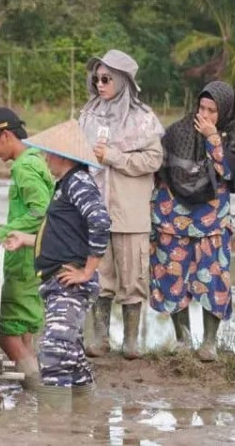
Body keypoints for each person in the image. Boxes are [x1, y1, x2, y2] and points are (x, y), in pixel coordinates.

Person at [3, 119, 111, 407]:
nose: (46, 158)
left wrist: (87, 271)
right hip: (57, 281)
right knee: (70, 355)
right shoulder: (64, 185)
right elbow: (61, 231)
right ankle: (85, 412)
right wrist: (26, 239)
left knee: (53, 351)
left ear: (63, 156)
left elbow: (100, 221)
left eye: (49, 153)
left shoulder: (78, 182)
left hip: (69, 282)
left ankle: (54, 423)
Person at [79, 49, 164, 360]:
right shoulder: (88, 115)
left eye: (106, 79)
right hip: (94, 211)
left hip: (130, 213)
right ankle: (100, 339)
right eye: (96, 79)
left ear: (123, 80)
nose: (100, 85)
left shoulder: (144, 119)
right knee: (99, 276)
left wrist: (113, 156)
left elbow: (154, 160)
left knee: (133, 277)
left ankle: (131, 341)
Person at [0, 108, 54, 389]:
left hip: (24, 257)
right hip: (33, 255)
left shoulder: (24, 168)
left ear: (6, 135)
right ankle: (32, 391)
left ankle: (37, 387)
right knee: (22, 324)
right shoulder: (34, 160)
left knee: (4, 328)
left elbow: (40, 211)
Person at [150, 81, 234, 362]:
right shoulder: (178, 131)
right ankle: (183, 340)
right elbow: (161, 171)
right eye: (202, 108)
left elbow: (229, 172)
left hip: (212, 222)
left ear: (225, 111)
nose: (205, 115)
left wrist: (213, 139)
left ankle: (209, 343)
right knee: (172, 276)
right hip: (174, 218)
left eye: (212, 110)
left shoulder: (231, 137)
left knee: (215, 278)